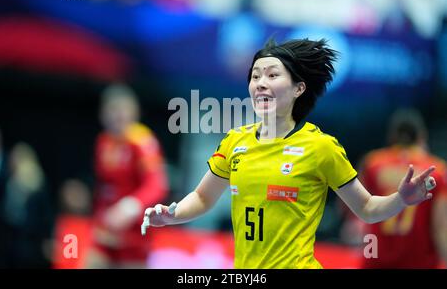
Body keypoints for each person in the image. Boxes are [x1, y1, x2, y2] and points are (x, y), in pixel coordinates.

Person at [142, 38, 438, 269]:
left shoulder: (321, 147)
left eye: (272, 75)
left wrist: (401, 199)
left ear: (298, 88)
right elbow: (204, 197)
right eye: (255, 76)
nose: (260, 83)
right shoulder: (234, 141)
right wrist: (171, 215)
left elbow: (367, 208)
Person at [341, 109, 447, 268]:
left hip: (375, 256)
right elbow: (441, 226)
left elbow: (349, 207)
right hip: (420, 261)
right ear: (421, 137)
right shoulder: (436, 170)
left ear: (392, 136)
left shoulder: (372, 163)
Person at [87, 84, 169, 268]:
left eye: (124, 110)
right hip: (106, 232)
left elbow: (158, 185)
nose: (118, 116)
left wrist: (128, 208)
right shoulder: (103, 142)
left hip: (134, 235)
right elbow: (105, 188)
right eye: (113, 110)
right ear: (102, 113)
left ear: (135, 113)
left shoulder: (143, 142)